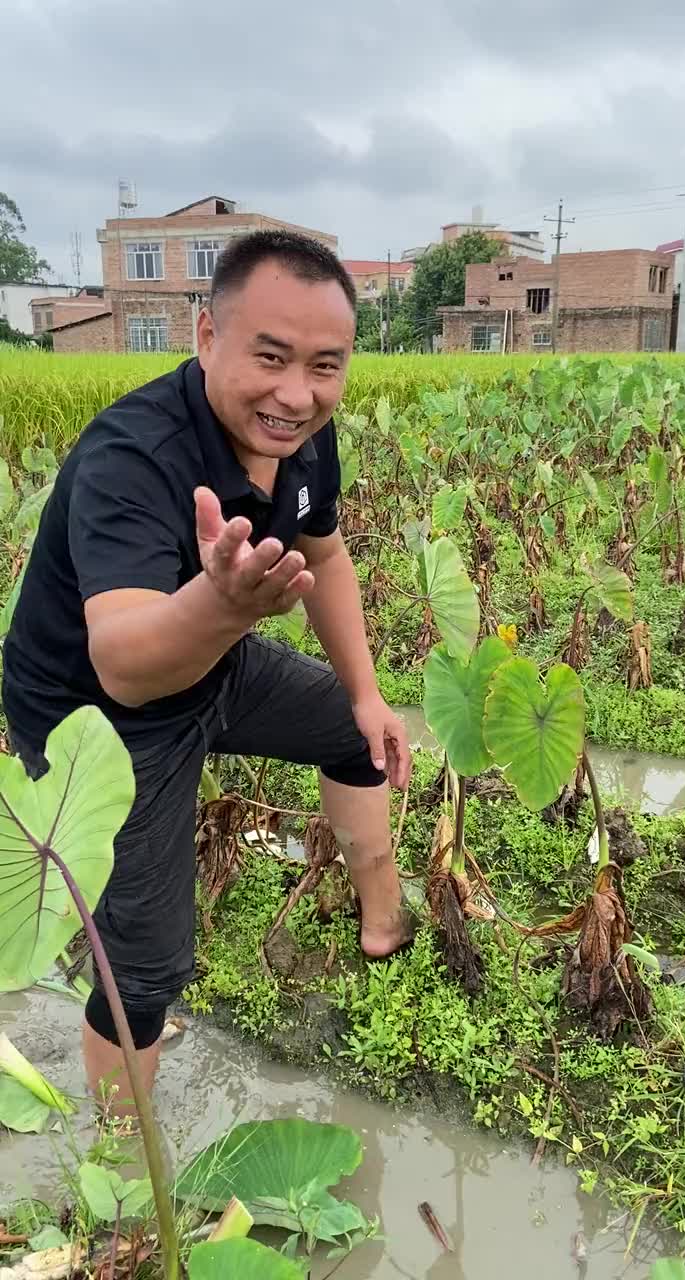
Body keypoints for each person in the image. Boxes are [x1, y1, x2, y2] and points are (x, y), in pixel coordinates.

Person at [2, 230, 412, 1112]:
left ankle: (385, 925)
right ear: (206, 336)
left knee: (353, 734)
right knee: (145, 970)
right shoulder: (133, 457)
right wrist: (223, 606)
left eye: (325, 366)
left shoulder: (304, 437)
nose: (296, 394)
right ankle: (121, 1161)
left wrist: (368, 694)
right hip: (93, 721)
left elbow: (325, 553)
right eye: (270, 357)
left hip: (213, 662)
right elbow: (124, 668)